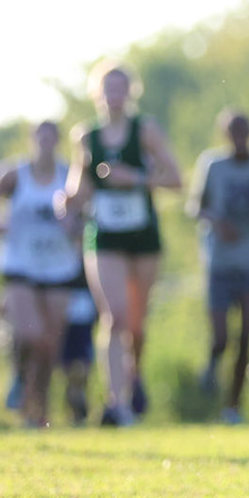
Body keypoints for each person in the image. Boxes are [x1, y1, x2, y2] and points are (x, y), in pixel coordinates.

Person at [66, 61, 181, 426]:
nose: (114, 95)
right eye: (107, 87)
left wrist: (136, 177)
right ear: (97, 93)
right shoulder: (86, 137)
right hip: (104, 237)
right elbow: (79, 189)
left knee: (136, 324)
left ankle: (136, 376)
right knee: (114, 315)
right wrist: (67, 201)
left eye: (121, 87)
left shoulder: (145, 131)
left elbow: (176, 179)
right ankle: (117, 405)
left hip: (142, 236)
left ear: (131, 92)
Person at [0, 120, 83, 428]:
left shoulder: (70, 176)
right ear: (32, 140)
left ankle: (37, 409)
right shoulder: (14, 174)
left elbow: (85, 214)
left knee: (49, 345)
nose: (46, 143)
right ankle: (18, 376)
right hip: (19, 265)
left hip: (59, 267)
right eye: (41, 137)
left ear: (58, 142)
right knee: (30, 333)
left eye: (52, 138)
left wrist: (74, 226)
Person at [187, 110, 249, 424]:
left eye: (244, 132)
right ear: (225, 135)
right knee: (220, 337)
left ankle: (233, 406)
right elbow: (195, 207)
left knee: (246, 336)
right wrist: (218, 222)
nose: (240, 138)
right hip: (220, 264)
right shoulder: (213, 166)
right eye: (234, 132)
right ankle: (212, 364)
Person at [59, 274, 99, 426]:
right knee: (70, 368)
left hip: (84, 307)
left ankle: (79, 402)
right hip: (63, 303)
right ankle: (74, 406)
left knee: (83, 366)